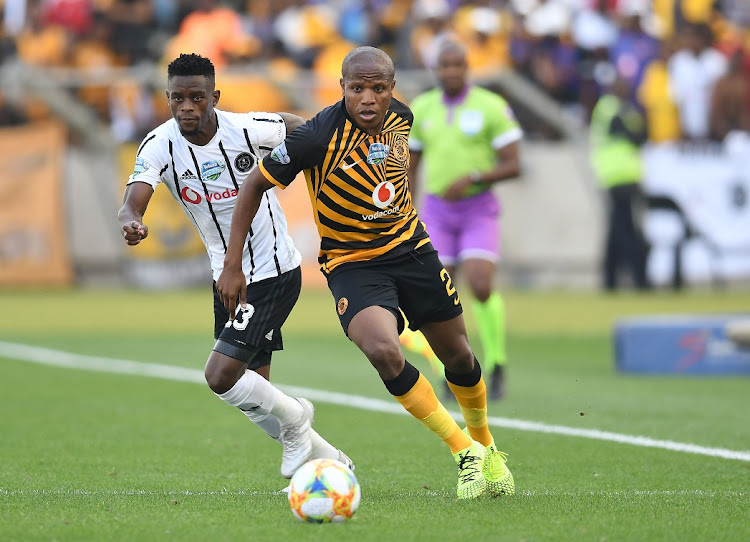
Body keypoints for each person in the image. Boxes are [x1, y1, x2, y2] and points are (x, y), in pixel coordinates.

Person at [216, 46, 515, 500]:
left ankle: (487, 445)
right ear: (342, 88)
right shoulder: (315, 137)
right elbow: (255, 184)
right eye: (357, 89)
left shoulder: (403, 119)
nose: (368, 99)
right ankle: (464, 453)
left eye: (378, 89)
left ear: (392, 89)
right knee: (383, 350)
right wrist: (232, 263)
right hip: (353, 264)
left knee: (458, 356)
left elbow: (395, 174)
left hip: (412, 253)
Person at [117, 53, 352, 480]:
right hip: (225, 276)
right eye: (177, 99)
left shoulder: (245, 129)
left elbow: (299, 126)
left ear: (214, 97)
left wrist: (321, 166)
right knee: (255, 396)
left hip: (271, 270)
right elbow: (133, 200)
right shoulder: (159, 144)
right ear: (167, 99)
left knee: (220, 376)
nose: (187, 107)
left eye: (196, 98)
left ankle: (300, 420)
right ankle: (331, 461)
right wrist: (131, 220)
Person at [406, 40, 522, 401]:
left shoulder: (491, 107)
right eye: (445, 66)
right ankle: (448, 370)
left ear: (466, 68)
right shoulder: (423, 108)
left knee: (481, 283)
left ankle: (498, 362)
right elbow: (412, 165)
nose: (451, 71)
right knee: (439, 293)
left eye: (458, 65)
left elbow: (513, 164)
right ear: (436, 70)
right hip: (438, 211)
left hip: (477, 207)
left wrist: (474, 178)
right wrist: (405, 207)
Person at [590, 77, 650, 291]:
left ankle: (610, 280)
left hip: (623, 176)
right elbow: (634, 134)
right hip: (617, 176)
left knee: (617, 229)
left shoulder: (624, 109)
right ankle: (639, 279)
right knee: (625, 230)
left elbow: (642, 135)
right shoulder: (610, 107)